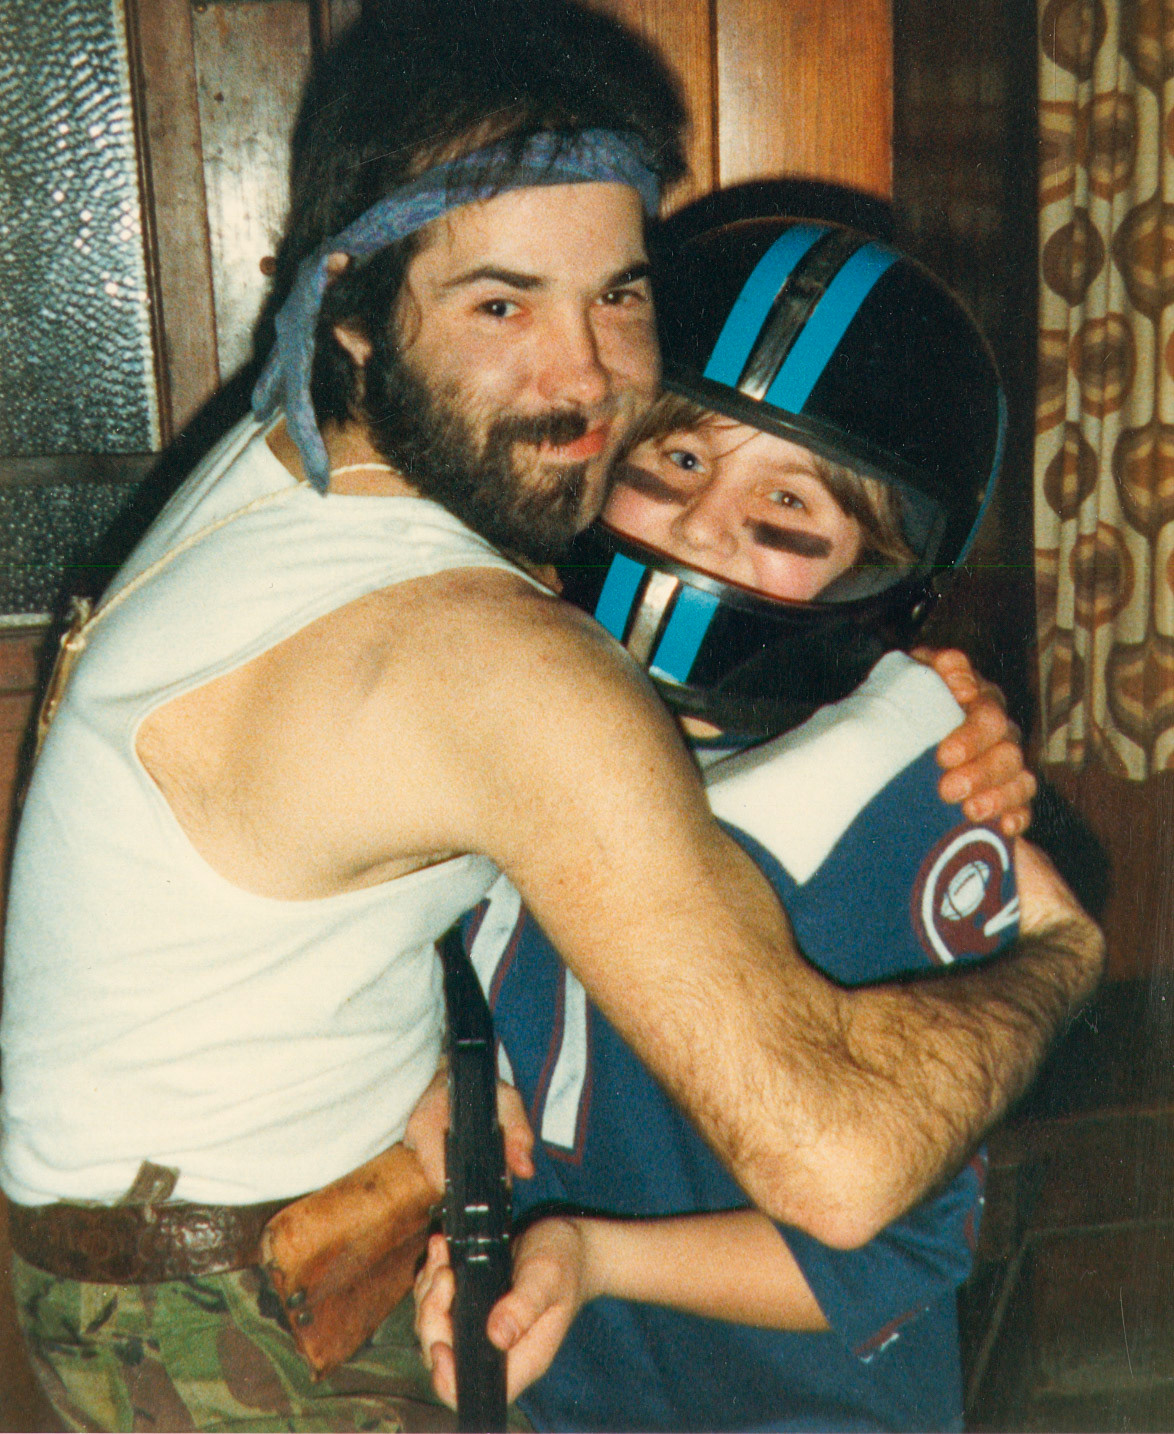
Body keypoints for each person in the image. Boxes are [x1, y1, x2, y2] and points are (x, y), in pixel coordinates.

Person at [0, 4, 1095, 1428]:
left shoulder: (307, 463)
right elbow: (839, 1163)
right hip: (225, 1298)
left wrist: (908, 705)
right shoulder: (495, 660)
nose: (583, 378)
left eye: (618, 296)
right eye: (500, 304)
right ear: (347, 308)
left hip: (228, 1216)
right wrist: (1068, 951)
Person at [412, 218, 1103, 1432]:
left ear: (876, 570)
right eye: (676, 461)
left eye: (787, 497)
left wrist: (597, 1258)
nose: (702, 524)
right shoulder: (506, 706)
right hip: (570, 1391)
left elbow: (885, 1254)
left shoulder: (887, 804)